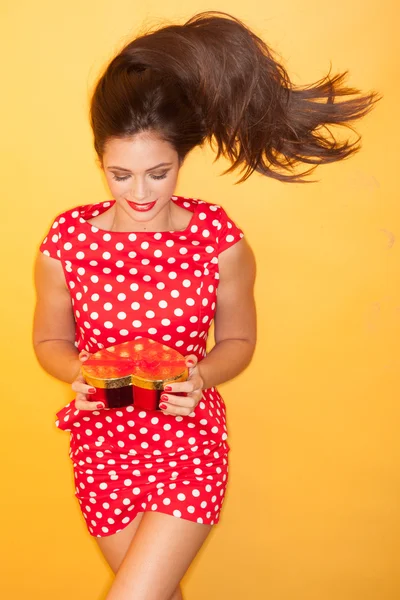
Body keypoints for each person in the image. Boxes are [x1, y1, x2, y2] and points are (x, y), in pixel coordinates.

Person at [33, 11, 379, 600]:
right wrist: (76, 374)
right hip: (100, 451)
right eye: (120, 174)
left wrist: (200, 375)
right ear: (99, 160)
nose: (139, 193)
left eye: (157, 173)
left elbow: (239, 341)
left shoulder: (217, 240)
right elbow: (49, 342)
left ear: (180, 161)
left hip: (185, 448)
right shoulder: (65, 242)